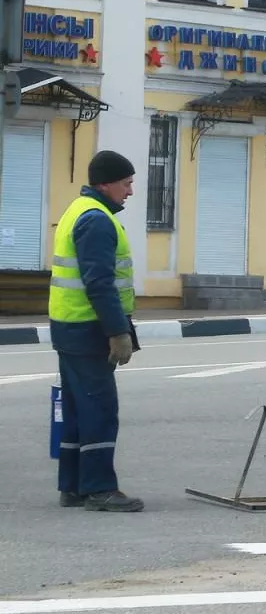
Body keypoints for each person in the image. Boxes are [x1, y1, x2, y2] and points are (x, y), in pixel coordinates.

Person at [48, 150, 144, 512]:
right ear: (106, 183)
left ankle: (73, 486)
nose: (130, 191)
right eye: (127, 183)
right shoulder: (98, 220)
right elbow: (99, 283)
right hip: (89, 331)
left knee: (77, 409)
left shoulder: (78, 210)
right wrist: (118, 332)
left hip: (70, 327)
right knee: (100, 409)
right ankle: (100, 489)